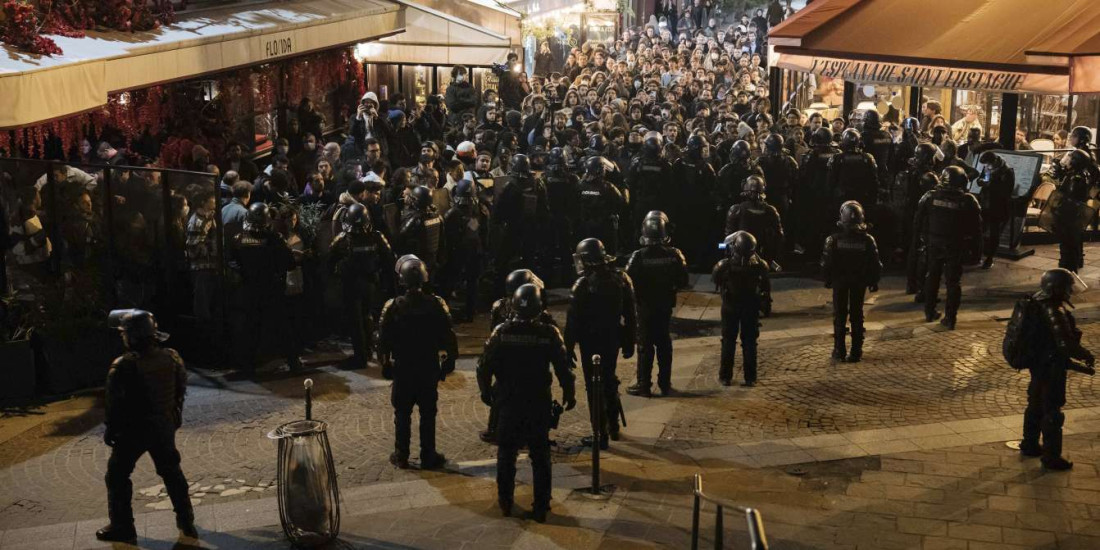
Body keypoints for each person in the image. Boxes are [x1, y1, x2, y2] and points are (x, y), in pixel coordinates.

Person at [478, 284, 576, 522]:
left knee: (506, 452)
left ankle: (505, 500)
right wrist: (569, 393)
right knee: (540, 455)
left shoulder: (501, 332)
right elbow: (564, 368)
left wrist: (486, 393)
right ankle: (541, 505)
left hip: (508, 400)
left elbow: (483, 366)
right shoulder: (549, 334)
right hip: (537, 401)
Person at [98, 309, 195, 543]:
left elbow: (115, 405)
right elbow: (180, 390)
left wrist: (111, 430)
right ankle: (186, 518)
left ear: (130, 336)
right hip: (163, 425)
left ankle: (122, 525)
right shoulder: (171, 357)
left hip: (135, 430)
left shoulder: (123, 366)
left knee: (117, 475)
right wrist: (173, 416)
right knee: (172, 471)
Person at [378, 256, 458, 469]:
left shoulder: (393, 307)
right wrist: (449, 360)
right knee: (428, 414)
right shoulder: (436, 304)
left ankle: (401, 454)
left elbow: (382, 340)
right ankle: (428, 455)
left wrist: (385, 364)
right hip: (427, 367)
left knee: (402, 413)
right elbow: (449, 336)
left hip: (403, 368)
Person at [565, 238, 636, 449]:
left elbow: (572, 322)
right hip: (612, 338)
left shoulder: (582, 285)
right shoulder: (621, 279)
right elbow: (631, 315)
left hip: (590, 342)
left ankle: (599, 434)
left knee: (593, 386)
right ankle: (613, 426)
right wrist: (630, 340)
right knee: (608, 378)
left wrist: (568, 349)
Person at [1021, 268, 1095, 471]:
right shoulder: (1054, 309)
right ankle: (1052, 456)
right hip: (1051, 365)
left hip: (1038, 363)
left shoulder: (1036, 301)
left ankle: (1029, 443)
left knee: (1035, 402)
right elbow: (1066, 343)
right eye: (1067, 288)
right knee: (1052, 409)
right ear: (1056, 288)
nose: (1069, 293)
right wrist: (1086, 355)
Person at [228, 203, 298, 373]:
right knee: (283, 327)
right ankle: (293, 362)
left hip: (249, 290)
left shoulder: (238, 239)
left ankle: (247, 365)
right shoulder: (275, 238)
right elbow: (290, 263)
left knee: (250, 328)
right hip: (272, 289)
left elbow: (232, 263)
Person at [625, 212, 688, 397]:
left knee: (645, 345)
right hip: (664, 305)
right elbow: (683, 280)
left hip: (644, 306)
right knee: (663, 343)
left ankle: (644, 384)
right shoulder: (674, 254)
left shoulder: (638, 256)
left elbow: (627, 282)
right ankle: (665, 383)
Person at [914, 167, 982, 330]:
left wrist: (920, 240)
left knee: (932, 276)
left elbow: (918, 221)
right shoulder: (968, 200)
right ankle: (950, 318)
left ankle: (930, 312)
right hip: (955, 245)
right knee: (953, 282)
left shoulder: (930, 196)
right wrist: (977, 252)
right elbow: (977, 229)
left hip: (934, 242)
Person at [329, 203, 395, 369]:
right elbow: (389, 258)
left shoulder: (344, 239)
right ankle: (368, 348)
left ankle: (360, 356)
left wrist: (335, 275)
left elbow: (329, 259)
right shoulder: (376, 236)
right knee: (367, 315)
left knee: (355, 321)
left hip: (350, 285)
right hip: (370, 283)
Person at [821, 201, 881, 362]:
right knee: (857, 314)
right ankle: (856, 351)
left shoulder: (833, 240)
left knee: (840, 315)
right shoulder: (868, 240)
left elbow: (826, 263)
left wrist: (827, 279)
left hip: (840, 282)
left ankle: (839, 349)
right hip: (858, 281)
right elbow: (875, 263)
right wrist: (873, 281)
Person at [712, 230, 769, 387]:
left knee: (728, 341)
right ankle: (750, 377)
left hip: (730, 306)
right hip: (750, 307)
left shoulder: (725, 265)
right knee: (750, 342)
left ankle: (725, 376)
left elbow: (715, 278)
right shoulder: (760, 265)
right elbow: (765, 285)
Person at [441, 179, 490, 322]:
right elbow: (484, 231)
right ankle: (470, 312)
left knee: (451, 281)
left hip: (459, 253)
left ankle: (445, 311)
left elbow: (446, 238)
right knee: (472, 283)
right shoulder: (479, 209)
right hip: (475, 251)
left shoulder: (452, 213)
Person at [1052, 150, 1093, 273]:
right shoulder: (1083, 174)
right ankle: (1069, 270)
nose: (1067, 161)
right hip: (1075, 217)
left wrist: (1058, 211)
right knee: (1072, 245)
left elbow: (1068, 197)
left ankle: (1066, 273)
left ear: (1075, 162)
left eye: (1070, 159)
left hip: (1069, 217)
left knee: (1067, 246)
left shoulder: (1075, 178)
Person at [577, 156, 626, 256]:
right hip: (605, 227)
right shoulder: (608, 187)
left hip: (585, 226)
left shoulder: (579, 185)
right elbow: (622, 202)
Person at [976, 151, 1015, 269]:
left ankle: (990, 257)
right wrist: (981, 182)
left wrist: (989, 185)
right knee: (980, 229)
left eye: (987, 165)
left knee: (994, 232)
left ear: (994, 162)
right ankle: (978, 254)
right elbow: (980, 179)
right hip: (985, 204)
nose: (986, 167)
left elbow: (1006, 191)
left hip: (997, 206)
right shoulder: (987, 168)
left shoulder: (1007, 171)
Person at [397, 185, 445, 273]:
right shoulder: (437, 216)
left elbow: (401, 236)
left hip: (417, 262)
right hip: (433, 259)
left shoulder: (415, 219)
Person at [757, 133, 798, 230]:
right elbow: (795, 180)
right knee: (782, 225)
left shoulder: (761, 161)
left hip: (766, 197)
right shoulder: (790, 160)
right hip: (783, 197)